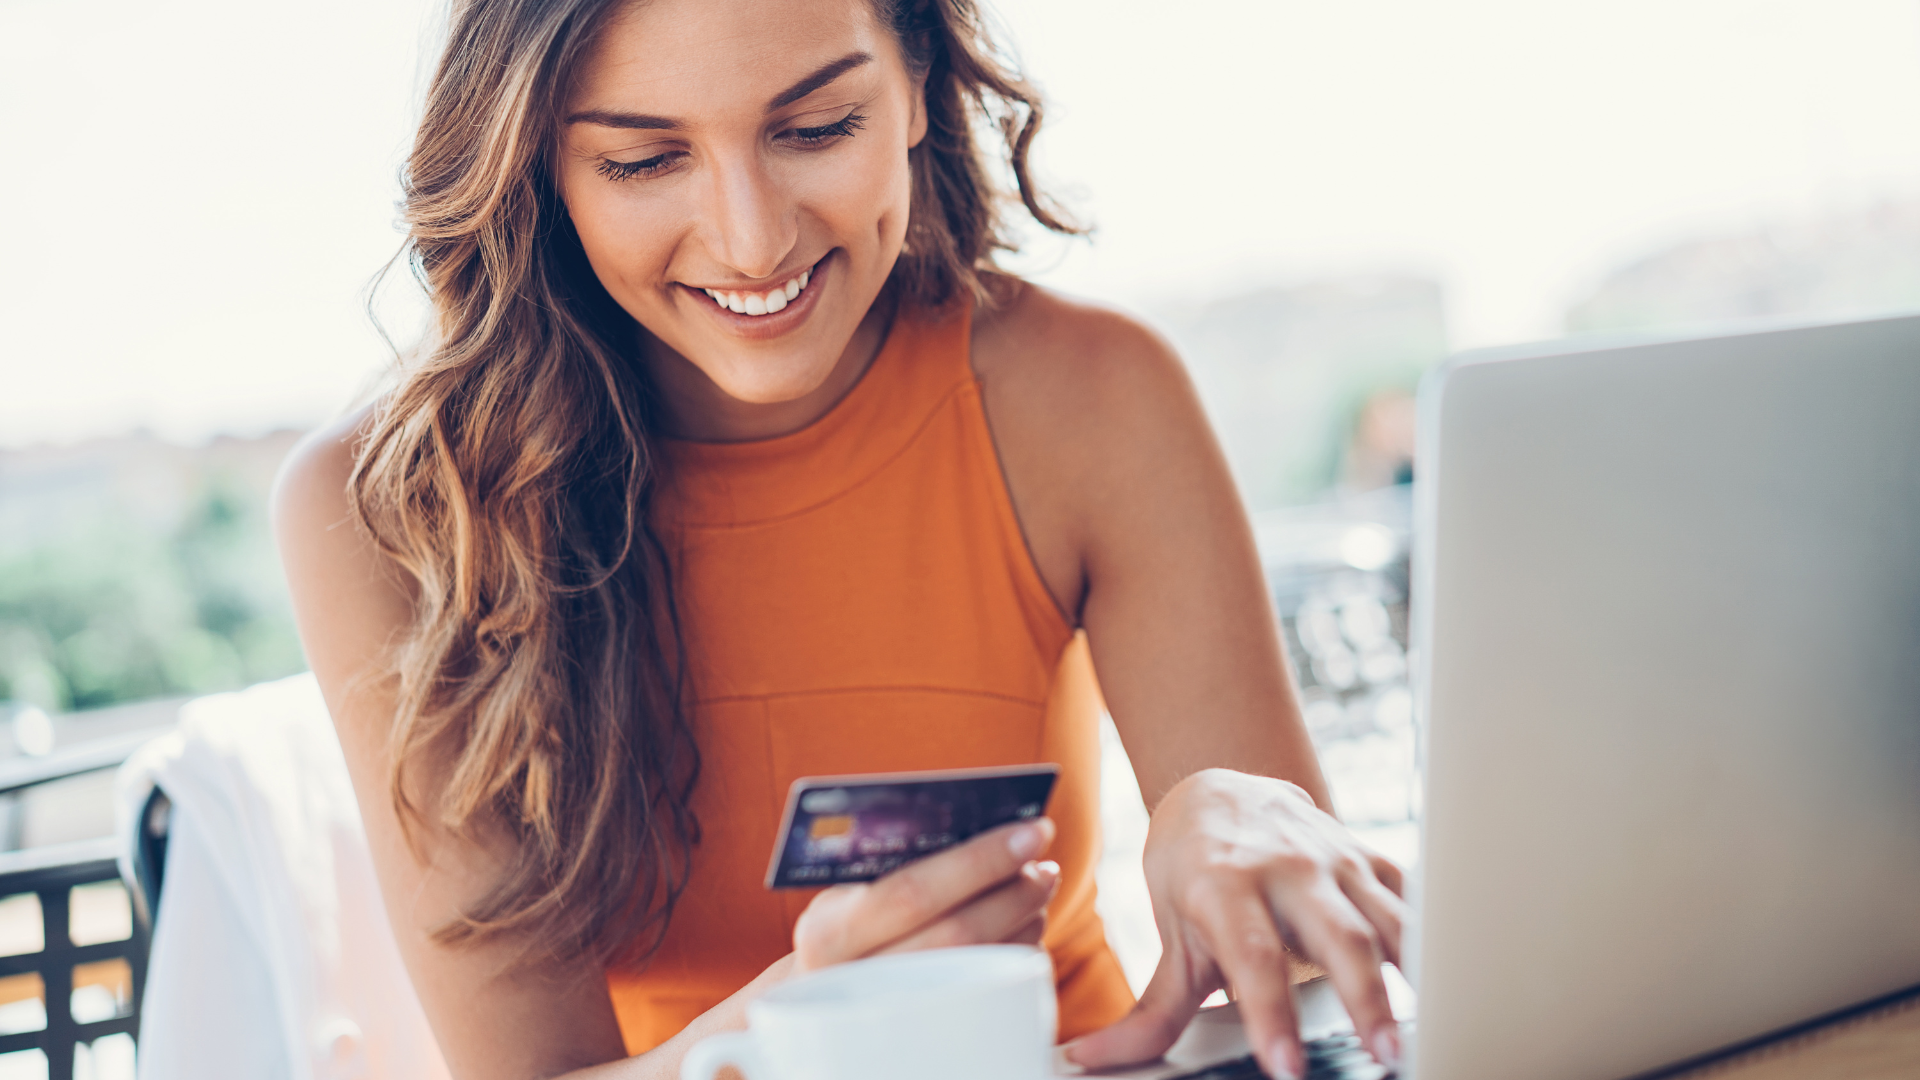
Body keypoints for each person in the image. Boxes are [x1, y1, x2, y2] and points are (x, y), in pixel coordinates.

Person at [272, 1, 1409, 1078]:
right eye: (643, 160)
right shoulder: (393, 514)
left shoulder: (1090, 397)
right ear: (540, 168)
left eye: (817, 128)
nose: (752, 240)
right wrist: (800, 1034)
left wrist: (1232, 815)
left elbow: (1311, 979)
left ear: (915, 83)